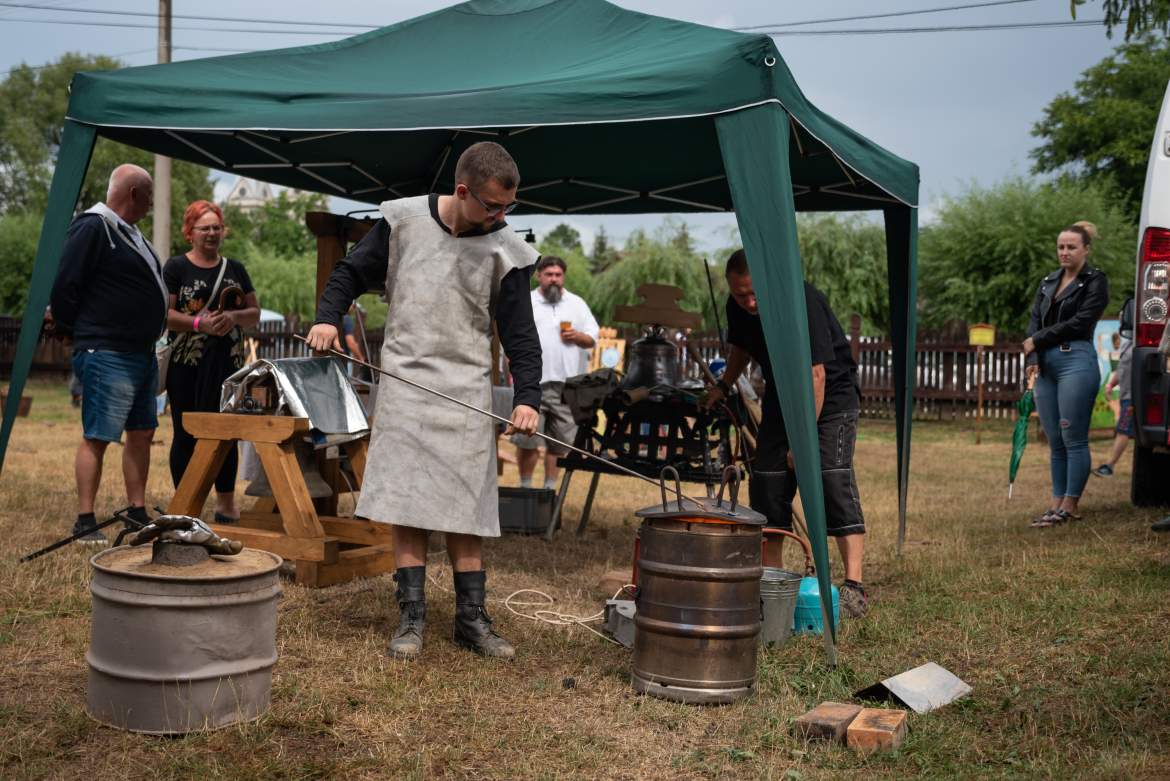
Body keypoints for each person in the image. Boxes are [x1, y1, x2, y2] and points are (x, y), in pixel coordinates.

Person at [306, 141, 541, 660]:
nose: (502, 217)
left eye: (509, 207)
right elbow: (347, 273)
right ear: (462, 191)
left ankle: (471, 620)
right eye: (493, 206)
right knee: (406, 502)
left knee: (466, 507)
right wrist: (328, 317)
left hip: (466, 391)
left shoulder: (507, 249)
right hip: (406, 385)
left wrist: (527, 397)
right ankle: (411, 616)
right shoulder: (403, 222)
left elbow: (521, 336)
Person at [704, 250, 869, 618]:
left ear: (766, 281)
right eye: (739, 294)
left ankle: (854, 587)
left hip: (831, 396)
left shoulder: (801, 300)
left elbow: (817, 376)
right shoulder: (738, 306)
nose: (747, 302)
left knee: (828, 476)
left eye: (752, 293)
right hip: (782, 395)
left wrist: (801, 442)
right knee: (767, 482)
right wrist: (724, 384)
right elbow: (741, 348)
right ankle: (771, 583)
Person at [48, 164, 165, 543]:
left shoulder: (129, 234)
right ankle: (85, 520)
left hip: (140, 352)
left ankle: (136, 511)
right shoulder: (94, 226)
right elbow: (66, 280)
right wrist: (69, 329)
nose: (150, 204)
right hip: (107, 350)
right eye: (149, 196)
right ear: (134, 193)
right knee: (98, 435)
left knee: (142, 432)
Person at [162, 200, 260, 523]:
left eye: (217, 227)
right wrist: (197, 324)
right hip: (187, 365)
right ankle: (186, 505)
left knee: (225, 433)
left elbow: (254, 314)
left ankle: (226, 505)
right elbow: (166, 314)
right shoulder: (176, 268)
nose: (212, 233)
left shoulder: (237, 269)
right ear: (190, 232)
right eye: (205, 228)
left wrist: (232, 317)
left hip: (227, 366)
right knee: (185, 432)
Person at [1024, 223, 1109, 528]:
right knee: (1055, 440)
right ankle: (1055, 502)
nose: (1065, 252)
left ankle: (1071, 503)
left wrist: (1038, 339)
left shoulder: (1095, 281)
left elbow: (1081, 321)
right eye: (1061, 246)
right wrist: (1032, 357)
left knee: (1073, 437)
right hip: (1045, 366)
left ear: (1086, 249)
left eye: (1071, 247)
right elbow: (1033, 325)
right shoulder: (1047, 282)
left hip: (1076, 360)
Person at [512, 255, 599, 489]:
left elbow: (593, 337)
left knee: (559, 445)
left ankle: (549, 491)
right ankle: (525, 488)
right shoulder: (526, 302)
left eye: (558, 275)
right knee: (527, 441)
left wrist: (578, 337)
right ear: (539, 276)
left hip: (566, 387)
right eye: (548, 275)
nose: (554, 280)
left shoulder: (577, 304)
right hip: (533, 384)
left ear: (563, 277)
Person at [1093, 330, 1133, 478]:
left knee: (1123, 430)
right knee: (1124, 429)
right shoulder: (1128, 345)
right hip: (1125, 395)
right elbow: (1122, 367)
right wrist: (1110, 384)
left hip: (1132, 397)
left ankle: (1109, 466)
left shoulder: (1137, 344)